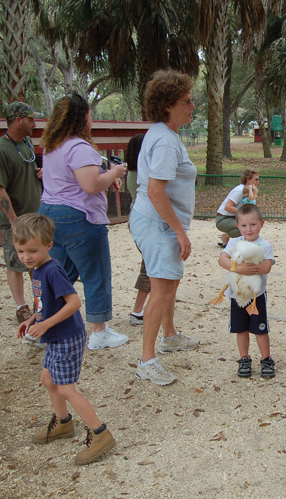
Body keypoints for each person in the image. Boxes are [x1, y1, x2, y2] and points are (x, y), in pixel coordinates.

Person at [12, 214, 116, 465]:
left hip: (66, 337)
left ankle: (100, 433)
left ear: (49, 245)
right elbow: (46, 304)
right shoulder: (36, 269)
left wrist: (46, 323)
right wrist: (33, 320)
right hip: (55, 335)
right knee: (47, 379)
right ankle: (64, 422)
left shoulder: (52, 270)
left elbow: (74, 302)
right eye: (20, 251)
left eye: (32, 251)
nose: (26, 257)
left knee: (65, 388)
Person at [38, 94, 129, 350]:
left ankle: (46, 325)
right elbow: (89, 185)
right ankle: (99, 332)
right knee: (95, 274)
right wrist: (114, 172)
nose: (92, 118)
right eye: (90, 113)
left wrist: (104, 172)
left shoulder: (52, 146)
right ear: (81, 117)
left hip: (50, 215)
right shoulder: (79, 147)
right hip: (79, 217)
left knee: (58, 274)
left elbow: (76, 175)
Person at [129, 69, 200, 386]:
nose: (192, 106)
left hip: (159, 222)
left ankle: (169, 336)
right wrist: (180, 231)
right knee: (160, 289)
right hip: (158, 223)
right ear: (169, 105)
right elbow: (156, 191)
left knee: (169, 282)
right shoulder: (166, 142)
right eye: (187, 101)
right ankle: (146, 360)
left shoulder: (162, 134)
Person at [0, 101, 43, 324]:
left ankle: (40, 302)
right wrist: (13, 220)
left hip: (35, 216)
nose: (34, 123)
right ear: (18, 120)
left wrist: (39, 172)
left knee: (37, 261)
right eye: (30, 118)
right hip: (17, 219)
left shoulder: (27, 142)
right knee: (16, 262)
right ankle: (22, 308)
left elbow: (28, 170)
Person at [216, 204, 275, 378]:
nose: (248, 229)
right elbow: (222, 259)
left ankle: (266, 359)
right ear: (237, 226)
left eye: (253, 224)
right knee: (240, 329)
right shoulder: (234, 242)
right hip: (237, 295)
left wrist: (255, 267)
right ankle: (244, 358)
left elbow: (267, 266)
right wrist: (238, 269)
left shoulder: (264, 245)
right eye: (243, 225)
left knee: (260, 329)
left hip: (257, 295)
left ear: (262, 224)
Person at [124, 134, 151, 326]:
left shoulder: (131, 172)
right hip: (145, 222)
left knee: (149, 264)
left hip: (135, 220)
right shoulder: (143, 172)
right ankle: (137, 311)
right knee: (149, 266)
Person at [215, 168, 260, 247]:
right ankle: (226, 237)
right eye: (256, 179)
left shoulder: (249, 191)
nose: (258, 182)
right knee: (246, 227)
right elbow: (228, 207)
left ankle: (232, 239)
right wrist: (245, 214)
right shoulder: (239, 190)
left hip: (233, 218)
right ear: (248, 179)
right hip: (223, 218)